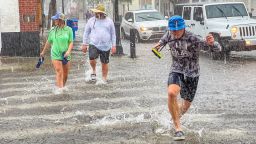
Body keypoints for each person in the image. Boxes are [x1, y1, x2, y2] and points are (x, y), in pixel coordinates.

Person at [153, 15, 221, 141]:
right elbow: (161, 43)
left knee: (184, 107)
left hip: (192, 74)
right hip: (176, 70)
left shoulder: (193, 38)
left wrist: (213, 43)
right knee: (172, 93)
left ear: (183, 28)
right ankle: (178, 129)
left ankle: (172, 119)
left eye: (178, 30)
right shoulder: (169, 34)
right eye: (173, 29)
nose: (175, 32)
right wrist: (157, 46)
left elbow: (216, 49)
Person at [81, 4, 116, 84]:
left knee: (104, 63)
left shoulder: (109, 21)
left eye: (99, 12)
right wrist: (84, 44)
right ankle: (93, 70)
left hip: (106, 46)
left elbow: (113, 34)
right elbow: (86, 32)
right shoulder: (91, 21)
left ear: (103, 13)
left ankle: (104, 79)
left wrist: (113, 46)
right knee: (92, 58)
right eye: (96, 12)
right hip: (94, 43)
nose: (97, 14)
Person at [40, 12, 73, 94]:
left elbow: (71, 42)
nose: (54, 20)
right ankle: (59, 90)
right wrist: (43, 52)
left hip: (66, 55)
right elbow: (48, 41)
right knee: (59, 71)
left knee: (65, 75)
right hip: (55, 54)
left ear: (61, 20)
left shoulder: (69, 30)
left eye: (56, 19)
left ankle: (62, 86)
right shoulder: (53, 30)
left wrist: (68, 51)